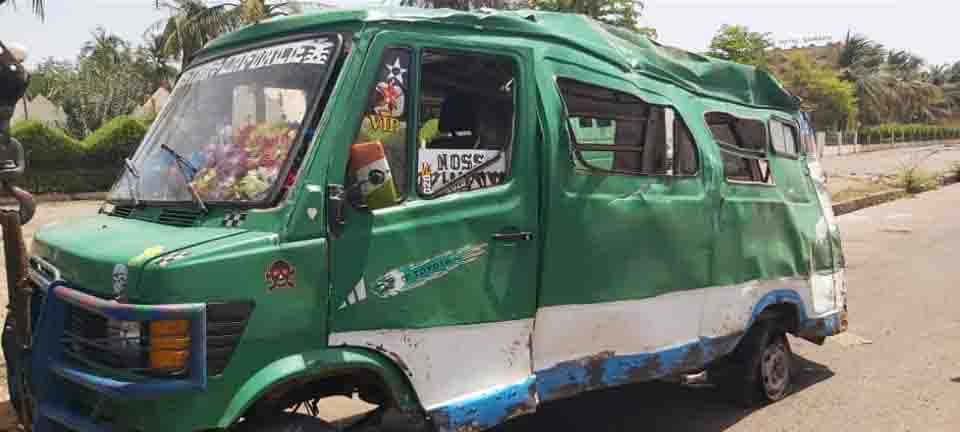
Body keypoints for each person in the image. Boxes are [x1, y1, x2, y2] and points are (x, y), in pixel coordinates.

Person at [0, 41, 29, 148]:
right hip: (8, 108)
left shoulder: (6, 71)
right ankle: (5, 155)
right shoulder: (25, 74)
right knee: (4, 132)